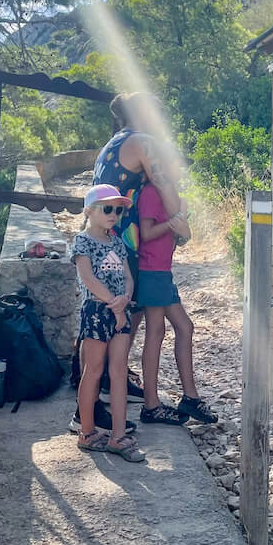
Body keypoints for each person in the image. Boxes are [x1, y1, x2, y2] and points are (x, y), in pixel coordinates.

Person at [89, 91, 189, 399]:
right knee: (123, 312)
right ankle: (103, 383)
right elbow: (163, 183)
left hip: (103, 237)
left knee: (118, 311)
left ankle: (102, 378)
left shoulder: (116, 141)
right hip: (119, 240)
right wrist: (180, 222)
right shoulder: (143, 142)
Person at [72, 184, 145, 462]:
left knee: (118, 372)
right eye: (107, 208)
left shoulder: (117, 242)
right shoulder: (83, 241)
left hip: (120, 312)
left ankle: (117, 436)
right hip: (96, 311)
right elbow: (88, 278)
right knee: (93, 371)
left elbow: (127, 275)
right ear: (90, 211)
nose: (114, 214)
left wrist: (125, 298)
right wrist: (114, 304)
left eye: (118, 209)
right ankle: (87, 432)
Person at [136, 181, 218, 426]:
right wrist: (174, 222)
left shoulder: (173, 195)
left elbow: (184, 237)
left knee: (185, 327)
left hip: (163, 272)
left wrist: (182, 223)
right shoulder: (152, 192)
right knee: (156, 332)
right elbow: (147, 233)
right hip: (150, 270)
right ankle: (151, 405)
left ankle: (190, 398)